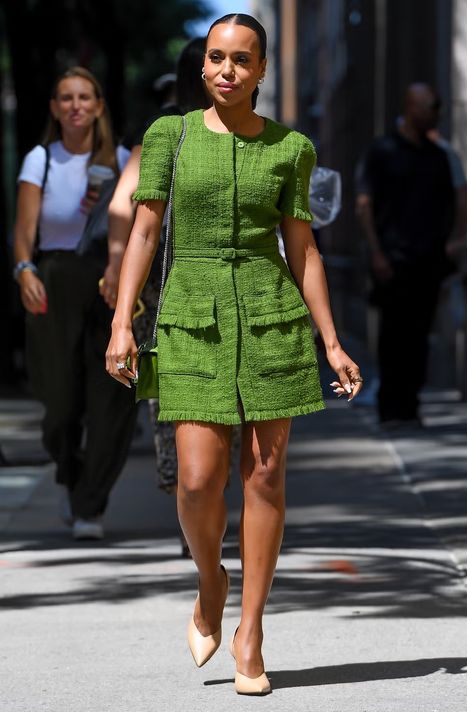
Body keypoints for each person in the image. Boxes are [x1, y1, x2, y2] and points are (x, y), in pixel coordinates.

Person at [106, 14, 362, 695]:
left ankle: (250, 630)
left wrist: (331, 340)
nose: (226, 70)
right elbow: (144, 231)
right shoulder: (171, 135)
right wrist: (122, 322)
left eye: (241, 60)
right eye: (216, 58)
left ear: (262, 70)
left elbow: (302, 249)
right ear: (203, 66)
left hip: (271, 317)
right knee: (194, 480)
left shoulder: (290, 149)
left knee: (265, 478)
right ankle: (212, 578)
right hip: (190, 317)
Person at [13, 66, 136, 540]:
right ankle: (69, 471)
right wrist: (24, 269)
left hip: (109, 282)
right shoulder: (40, 160)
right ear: (54, 108)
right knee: (59, 400)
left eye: (85, 97)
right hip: (55, 280)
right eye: (66, 98)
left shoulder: (125, 159)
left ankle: (90, 503)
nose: (76, 105)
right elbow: (24, 232)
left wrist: (120, 273)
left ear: (99, 106)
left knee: (110, 397)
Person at [106, 38, 211, 556]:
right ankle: (203, 500)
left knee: (168, 394)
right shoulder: (185, 129)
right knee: (210, 395)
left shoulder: (160, 128)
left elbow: (122, 211)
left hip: (157, 281)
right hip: (191, 276)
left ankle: (188, 498)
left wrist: (114, 269)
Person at [356, 83, 455, 428]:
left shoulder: (437, 156)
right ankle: (391, 408)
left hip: (428, 262)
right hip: (393, 260)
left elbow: (452, 204)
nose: (435, 114)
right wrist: (377, 252)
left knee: (419, 336)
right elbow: (364, 204)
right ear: (412, 107)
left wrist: (449, 247)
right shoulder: (382, 151)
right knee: (393, 336)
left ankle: (410, 407)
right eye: (430, 107)